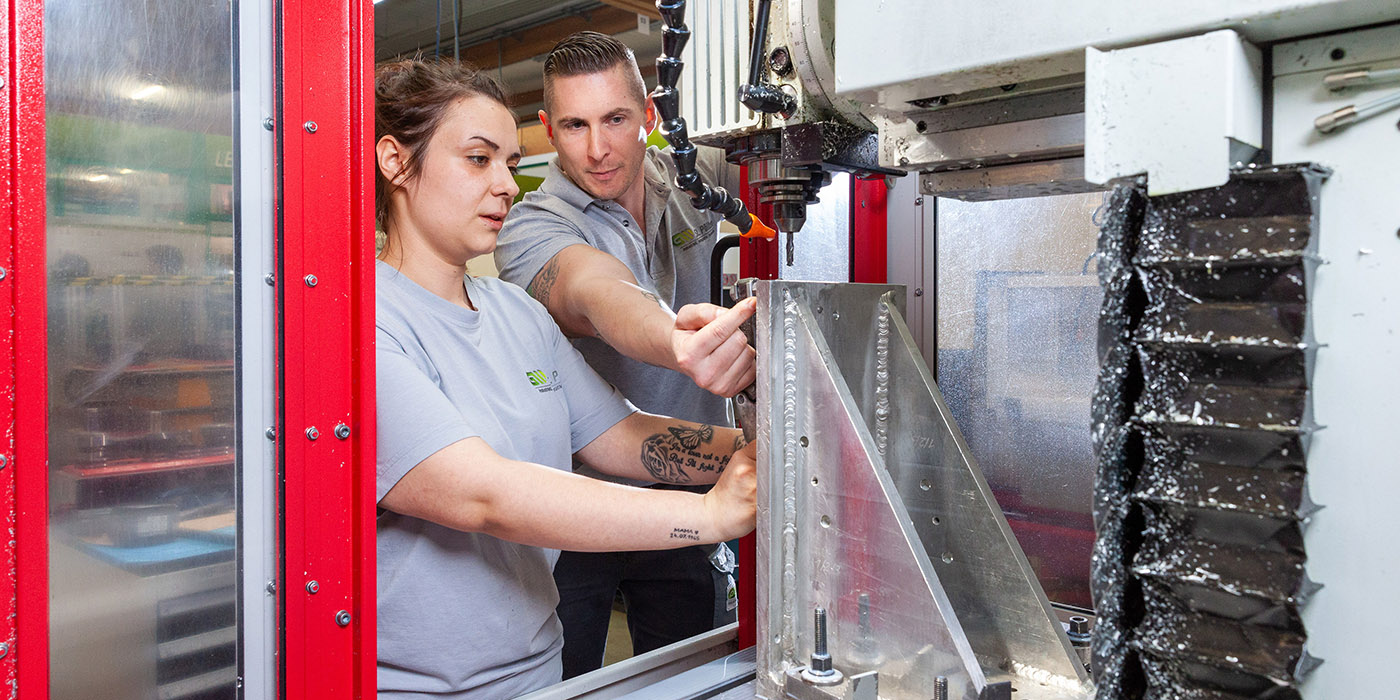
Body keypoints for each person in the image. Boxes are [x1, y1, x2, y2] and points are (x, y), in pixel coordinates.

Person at [373, 58, 757, 699]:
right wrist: (710, 515)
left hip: (541, 676)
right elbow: (484, 496)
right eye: (478, 159)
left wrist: (769, 453)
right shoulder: (363, 327)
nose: (505, 185)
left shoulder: (514, 314)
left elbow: (620, 435)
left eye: (508, 162)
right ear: (395, 161)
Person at [494, 32, 755, 678]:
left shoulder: (695, 183)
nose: (598, 148)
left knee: (696, 674)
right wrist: (677, 341)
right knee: (571, 679)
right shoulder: (530, 224)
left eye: (616, 119)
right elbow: (595, 292)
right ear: (547, 130)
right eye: (575, 125)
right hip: (579, 511)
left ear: (651, 118)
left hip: (692, 494)